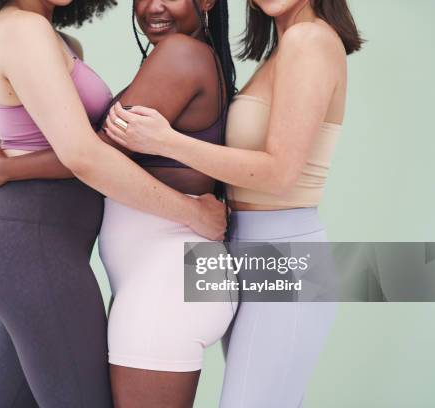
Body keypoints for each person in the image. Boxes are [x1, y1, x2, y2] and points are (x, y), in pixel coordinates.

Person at [0, 1, 238, 406]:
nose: (154, 4)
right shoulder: (25, 30)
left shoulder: (178, 54)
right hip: (37, 244)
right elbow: (88, 151)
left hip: (147, 274)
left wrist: (8, 169)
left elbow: (90, 150)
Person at [105, 0, 364, 406]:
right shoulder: (284, 46)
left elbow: (281, 173)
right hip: (249, 249)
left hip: (284, 257)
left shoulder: (310, 39)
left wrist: (166, 141)